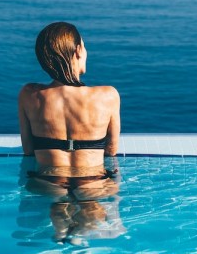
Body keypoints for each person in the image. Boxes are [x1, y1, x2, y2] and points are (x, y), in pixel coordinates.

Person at [18, 22, 121, 202]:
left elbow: (28, 150)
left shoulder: (29, 94)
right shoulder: (108, 95)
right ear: (79, 50)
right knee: (94, 217)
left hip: (47, 182)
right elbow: (111, 150)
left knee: (57, 218)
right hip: (94, 182)